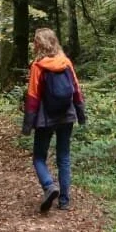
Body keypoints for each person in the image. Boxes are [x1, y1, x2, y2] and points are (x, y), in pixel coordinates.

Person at [23, 27, 85, 213]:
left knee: (39, 157)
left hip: (45, 118)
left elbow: (33, 96)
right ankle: (64, 200)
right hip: (67, 115)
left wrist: (28, 124)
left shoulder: (38, 66)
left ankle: (50, 186)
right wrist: (81, 114)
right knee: (64, 156)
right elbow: (76, 89)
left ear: (39, 44)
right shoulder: (65, 62)